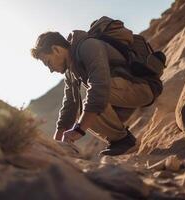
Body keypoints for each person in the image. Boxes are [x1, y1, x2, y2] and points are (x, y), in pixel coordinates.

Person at [30, 30, 162, 156]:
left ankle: (122, 140)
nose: (51, 70)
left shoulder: (88, 46)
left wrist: (79, 130)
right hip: (121, 95)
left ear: (56, 50)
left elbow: (100, 87)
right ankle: (122, 141)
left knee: (94, 98)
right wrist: (56, 145)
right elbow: (69, 107)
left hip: (144, 88)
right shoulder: (70, 72)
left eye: (48, 63)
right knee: (83, 110)